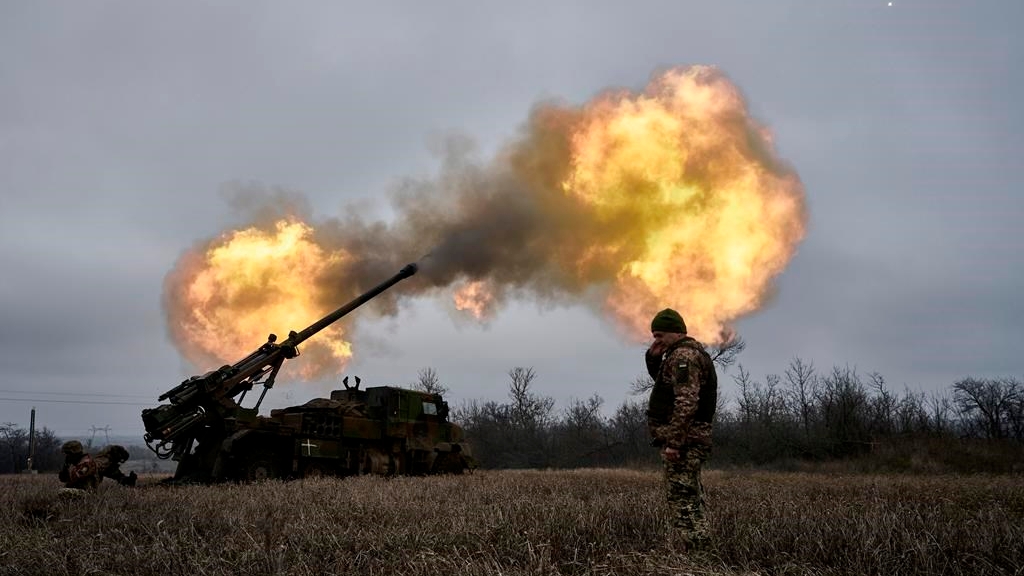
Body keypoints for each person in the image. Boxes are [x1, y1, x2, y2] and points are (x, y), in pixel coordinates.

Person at [645, 308, 718, 551]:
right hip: (690, 440)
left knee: (683, 500)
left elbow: (686, 402)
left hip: (685, 443)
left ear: (676, 333)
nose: (657, 340)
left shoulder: (683, 357)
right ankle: (701, 551)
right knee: (690, 498)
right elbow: (666, 385)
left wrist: (675, 443)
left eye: (660, 335)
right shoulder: (683, 355)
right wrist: (654, 359)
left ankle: (700, 556)